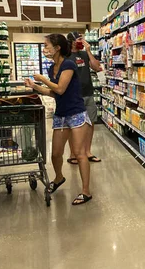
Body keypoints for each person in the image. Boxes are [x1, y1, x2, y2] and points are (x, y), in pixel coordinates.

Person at [25, 34, 93, 205]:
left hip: (76, 113)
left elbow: (61, 88)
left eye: (47, 45)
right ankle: (59, 177)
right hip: (61, 114)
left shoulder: (69, 64)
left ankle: (86, 191)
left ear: (57, 48)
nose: (44, 48)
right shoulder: (51, 68)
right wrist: (35, 86)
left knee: (79, 154)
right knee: (56, 153)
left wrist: (42, 79)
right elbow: (53, 93)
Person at [66, 31, 102, 164]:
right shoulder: (66, 56)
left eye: (82, 38)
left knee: (90, 124)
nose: (82, 40)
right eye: (79, 39)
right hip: (74, 95)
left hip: (88, 93)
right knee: (73, 126)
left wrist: (88, 50)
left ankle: (87, 152)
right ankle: (73, 153)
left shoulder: (84, 53)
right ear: (72, 41)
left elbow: (97, 67)